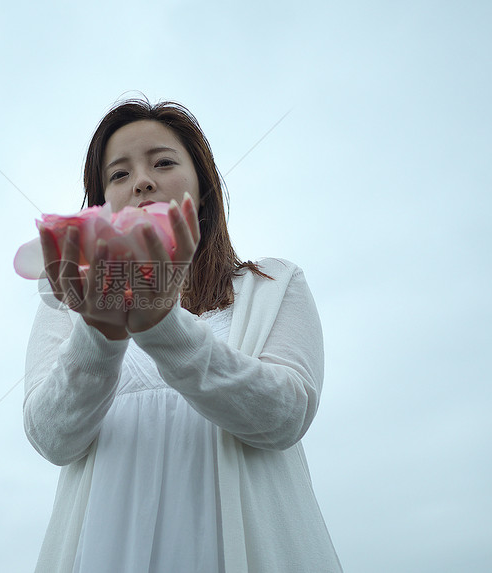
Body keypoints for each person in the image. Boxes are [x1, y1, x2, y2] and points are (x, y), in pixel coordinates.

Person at [24, 99, 342, 572]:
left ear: (204, 185)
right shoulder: (72, 309)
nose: (142, 182)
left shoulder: (274, 285)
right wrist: (102, 329)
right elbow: (52, 437)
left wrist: (162, 326)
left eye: (164, 162)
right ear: (101, 208)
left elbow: (285, 416)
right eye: (118, 174)